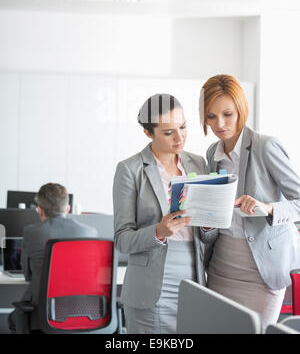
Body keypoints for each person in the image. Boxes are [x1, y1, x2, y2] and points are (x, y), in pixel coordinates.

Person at [200, 74, 300, 331]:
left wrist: (268, 208)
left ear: (241, 110)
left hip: (261, 272)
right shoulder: (213, 153)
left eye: (227, 114)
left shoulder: (265, 146)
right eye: (211, 116)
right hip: (222, 266)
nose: (219, 124)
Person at [113, 93, 217, 334]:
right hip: (151, 283)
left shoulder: (198, 163)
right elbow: (122, 240)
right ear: (148, 134)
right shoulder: (130, 170)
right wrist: (158, 232)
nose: (179, 137)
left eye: (182, 127)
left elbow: (206, 236)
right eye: (168, 132)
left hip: (194, 279)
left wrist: (209, 226)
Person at [8, 182, 97, 332]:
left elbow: (28, 275)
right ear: (67, 209)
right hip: (85, 315)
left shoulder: (31, 232)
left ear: (40, 211)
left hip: (43, 317)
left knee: (11, 320)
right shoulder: (90, 232)